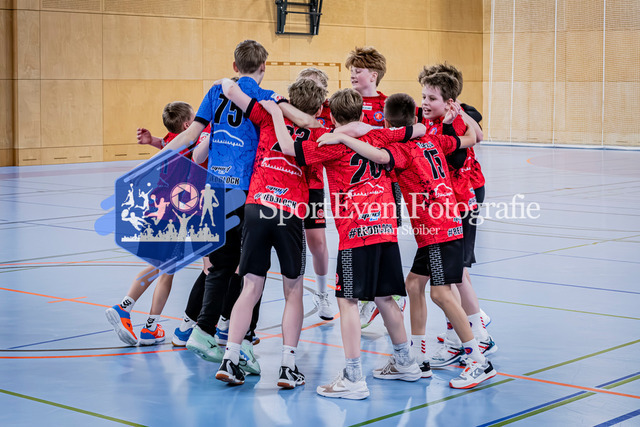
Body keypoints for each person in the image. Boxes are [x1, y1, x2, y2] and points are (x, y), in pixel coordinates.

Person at [318, 93, 498, 389]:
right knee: (413, 285)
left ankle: (478, 359)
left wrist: (342, 137)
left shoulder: (401, 149)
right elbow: (470, 139)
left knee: (441, 294)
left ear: (388, 123)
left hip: (437, 226)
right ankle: (417, 357)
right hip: (443, 222)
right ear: (415, 118)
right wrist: (456, 119)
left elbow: (378, 156)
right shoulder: (435, 139)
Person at [162, 40, 319, 370]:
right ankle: (243, 340)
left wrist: (157, 157)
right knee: (251, 271)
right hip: (248, 190)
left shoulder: (215, 91)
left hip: (215, 187)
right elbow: (303, 122)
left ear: (235, 66)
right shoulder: (263, 96)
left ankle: (205, 330)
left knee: (219, 265)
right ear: (263, 67)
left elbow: (190, 137)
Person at [292, 88, 426, 400]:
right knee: (385, 297)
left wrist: (278, 111)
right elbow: (417, 129)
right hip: (386, 228)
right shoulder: (380, 135)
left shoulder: (329, 142)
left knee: (348, 301)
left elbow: (292, 150)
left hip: (357, 231)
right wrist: (363, 128)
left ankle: (353, 376)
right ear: (363, 113)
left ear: (333, 116)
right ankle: (406, 362)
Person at [212, 77, 330, 387]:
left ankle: (230, 358)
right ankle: (287, 366)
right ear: (319, 107)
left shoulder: (266, 116)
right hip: (289, 212)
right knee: (293, 289)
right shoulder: (319, 134)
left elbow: (230, 89)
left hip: (256, 206)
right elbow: (315, 181)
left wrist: (270, 99)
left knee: (250, 287)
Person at [417, 72, 497, 367]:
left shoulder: (456, 122)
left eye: (431, 98)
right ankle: (468, 332)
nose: (425, 102)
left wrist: (452, 125)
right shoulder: (431, 120)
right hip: (446, 204)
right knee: (454, 275)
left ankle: (474, 335)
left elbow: (460, 155)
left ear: (450, 102)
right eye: (423, 96)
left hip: (460, 203)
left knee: (454, 275)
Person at [105, 101, 198, 346]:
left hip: (154, 209)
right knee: (166, 272)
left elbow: (169, 144)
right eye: (194, 118)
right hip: (172, 214)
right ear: (187, 125)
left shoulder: (172, 140)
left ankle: (139, 319)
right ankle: (137, 317)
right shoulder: (191, 141)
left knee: (158, 266)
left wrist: (153, 140)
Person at [344, 46, 405, 328]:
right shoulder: (344, 103)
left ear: (374, 75)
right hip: (354, 187)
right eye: (351, 70)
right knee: (359, 239)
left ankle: (389, 292)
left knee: (386, 238)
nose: (352, 74)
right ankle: (368, 296)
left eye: (358, 70)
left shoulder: (387, 104)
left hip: (386, 185)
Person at [296, 67, 333, 321]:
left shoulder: (329, 115)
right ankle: (293, 293)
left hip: (313, 185)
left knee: (317, 241)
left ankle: (322, 293)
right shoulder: (288, 111)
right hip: (285, 183)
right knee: (291, 243)